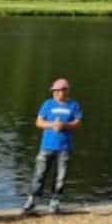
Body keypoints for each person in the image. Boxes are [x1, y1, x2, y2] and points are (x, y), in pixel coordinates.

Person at [23, 78, 82, 214]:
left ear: (66, 91)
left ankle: (54, 202)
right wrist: (52, 125)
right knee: (39, 174)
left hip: (65, 148)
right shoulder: (47, 104)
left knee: (60, 177)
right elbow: (38, 122)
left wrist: (65, 125)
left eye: (58, 90)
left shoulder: (74, 105)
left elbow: (78, 123)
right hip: (47, 146)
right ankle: (32, 201)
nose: (55, 93)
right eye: (54, 91)